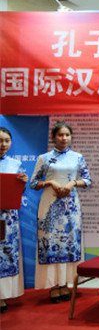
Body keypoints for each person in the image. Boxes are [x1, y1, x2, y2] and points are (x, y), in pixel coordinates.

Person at [30, 121, 92, 303]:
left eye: (67, 135)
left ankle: (65, 283)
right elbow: (33, 183)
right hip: (49, 203)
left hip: (70, 205)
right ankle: (53, 285)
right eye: (60, 135)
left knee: (69, 241)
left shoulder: (78, 157)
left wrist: (73, 183)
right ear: (53, 137)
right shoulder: (44, 158)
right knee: (50, 241)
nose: (64, 138)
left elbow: (87, 180)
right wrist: (50, 182)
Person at [0, 127, 28, 313]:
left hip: (7, 217)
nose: (3, 144)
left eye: (6, 140)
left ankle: (2, 295)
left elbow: (20, 192)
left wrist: (22, 183)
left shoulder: (15, 164)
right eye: (0, 140)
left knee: (6, 254)